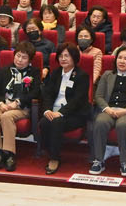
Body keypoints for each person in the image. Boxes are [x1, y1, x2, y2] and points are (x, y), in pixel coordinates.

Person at [88, 46, 126, 176]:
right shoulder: (107, 75)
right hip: (108, 110)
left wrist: (125, 111)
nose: (122, 61)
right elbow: (98, 96)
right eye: (120, 58)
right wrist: (107, 108)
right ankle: (99, 160)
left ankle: (124, 162)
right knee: (100, 122)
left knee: (123, 124)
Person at [0, 44, 41, 171]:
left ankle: (9, 154)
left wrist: (17, 102)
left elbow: (35, 92)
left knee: (6, 116)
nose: (19, 60)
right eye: (18, 56)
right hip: (4, 103)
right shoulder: (5, 70)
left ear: (29, 60)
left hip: (21, 107)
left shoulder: (34, 72)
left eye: (24, 58)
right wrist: (0, 103)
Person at [36, 44, 89, 175]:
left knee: (56, 122)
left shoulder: (82, 75)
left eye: (67, 56)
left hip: (74, 114)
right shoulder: (55, 73)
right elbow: (47, 94)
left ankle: (55, 158)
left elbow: (77, 100)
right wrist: (47, 110)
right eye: (60, 56)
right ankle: (48, 151)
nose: (63, 59)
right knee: (44, 122)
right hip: (54, 110)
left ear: (74, 58)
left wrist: (60, 113)